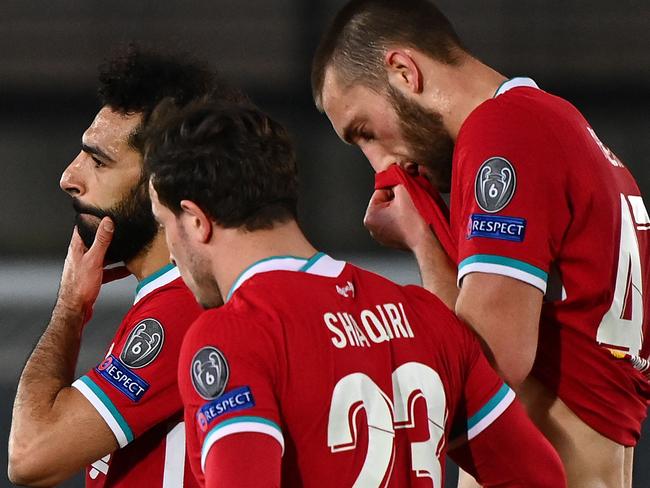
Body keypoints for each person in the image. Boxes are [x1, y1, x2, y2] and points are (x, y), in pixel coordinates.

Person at [310, 0, 650, 486]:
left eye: (365, 132)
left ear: (404, 71)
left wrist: (422, 242)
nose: (380, 164)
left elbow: (487, 365)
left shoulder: (504, 132)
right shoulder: (560, 124)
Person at [144, 101, 566, 487]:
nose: (170, 250)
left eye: (165, 225)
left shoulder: (232, 336)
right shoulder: (426, 318)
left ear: (197, 221)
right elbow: (540, 477)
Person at [8, 46, 245, 487]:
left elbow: (30, 455)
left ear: (164, 185)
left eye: (98, 161)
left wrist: (69, 310)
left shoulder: (183, 310)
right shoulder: (168, 300)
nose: (68, 177)